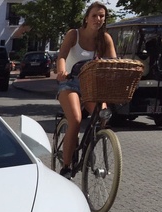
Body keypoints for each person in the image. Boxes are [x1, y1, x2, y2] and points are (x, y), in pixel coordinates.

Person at [55, 1, 116, 179]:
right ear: (86, 18)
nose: (99, 19)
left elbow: (113, 62)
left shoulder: (105, 39)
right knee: (75, 119)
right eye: (95, 15)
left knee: (104, 115)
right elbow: (62, 56)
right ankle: (66, 167)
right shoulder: (74, 34)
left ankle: (89, 147)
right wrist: (61, 71)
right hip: (70, 83)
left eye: (102, 16)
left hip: (92, 86)